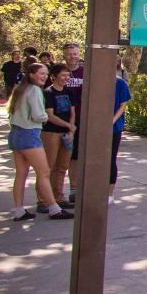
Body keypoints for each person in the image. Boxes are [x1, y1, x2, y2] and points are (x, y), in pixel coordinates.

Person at [6, 63, 72, 221]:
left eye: (45, 73)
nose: (44, 76)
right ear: (31, 74)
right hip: (29, 134)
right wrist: (45, 116)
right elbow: (38, 115)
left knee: (21, 174)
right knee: (44, 173)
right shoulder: (35, 90)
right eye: (41, 73)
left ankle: (19, 210)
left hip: (16, 133)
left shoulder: (20, 89)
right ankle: (54, 209)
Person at [41, 63, 77, 204]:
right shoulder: (48, 92)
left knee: (62, 167)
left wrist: (70, 129)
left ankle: (59, 197)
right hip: (51, 133)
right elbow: (50, 116)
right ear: (53, 77)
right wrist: (69, 125)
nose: (65, 78)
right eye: (63, 75)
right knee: (49, 166)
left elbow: (72, 112)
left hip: (67, 134)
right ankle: (44, 200)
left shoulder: (69, 92)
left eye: (67, 75)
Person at [61, 43, 85, 202]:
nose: (72, 57)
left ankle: (74, 188)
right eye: (69, 54)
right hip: (60, 119)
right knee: (61, 157)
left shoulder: (85, 71)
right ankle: (55, 192)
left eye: (75, 53)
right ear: (64, 55)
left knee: (75, 156)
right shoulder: (58, 72)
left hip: (81, 118)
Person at [108, 72, 131, 205]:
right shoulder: (94, 78)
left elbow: (123, 105)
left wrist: (112, 120)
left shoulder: (120, 83)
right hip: (94, 128)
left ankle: (109, 193)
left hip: (114, 128)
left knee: (111, 159)